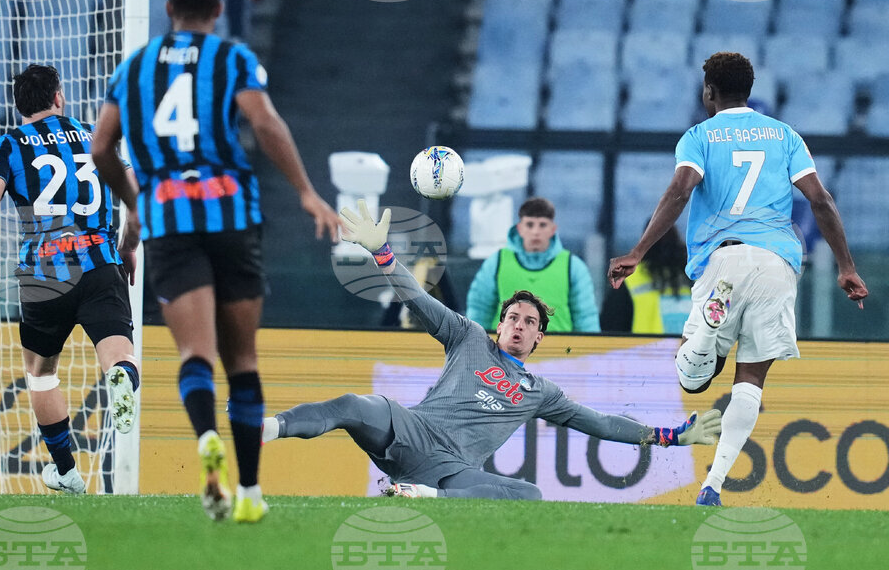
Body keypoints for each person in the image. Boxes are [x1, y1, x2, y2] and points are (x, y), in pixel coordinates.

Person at [91, 0, 340, 522]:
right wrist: (305, 191)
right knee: (243, 359)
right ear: (220, 9)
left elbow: (102, 147)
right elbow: (267, 123)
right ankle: (250, 492)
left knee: (194, 355)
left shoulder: (132, 70)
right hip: (232, 215)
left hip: (170, 220)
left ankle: (206, 437)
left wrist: (137, 203)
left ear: (168, 8)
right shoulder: (233, 59)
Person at [261, 199, 722, 500]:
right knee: (353, 404)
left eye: (530, 324)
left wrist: (670, 436)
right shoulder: (466, 335)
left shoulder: (540, 391)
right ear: (499, 324)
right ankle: (266, 428)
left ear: (539, 338)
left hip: (452, 469)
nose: (519, 327)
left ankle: (424, 494)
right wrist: (383, 254)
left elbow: (599, 422)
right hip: (411, 430)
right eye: (514, 319)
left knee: (530, 496)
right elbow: (417, 300)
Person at [608, 52, 868, 506]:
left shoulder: (699, 136)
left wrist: (638, 251)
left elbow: (680, 191)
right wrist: (846, 266)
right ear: (748, 90)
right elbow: (821, 201)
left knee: (693, 382)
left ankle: (708, 329)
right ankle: (714, 485)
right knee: (750, 379)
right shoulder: (785, 136)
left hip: (722, 259)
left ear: (709, 91)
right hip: (778, 262)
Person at [0, 64, 141, 495]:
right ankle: (120, 378)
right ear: (59, 96)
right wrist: (128, 247)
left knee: (42, 375)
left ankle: (66, 472)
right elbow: (137, 200)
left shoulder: (7, 146)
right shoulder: (98, 135)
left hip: (42, 274)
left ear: (20, 106)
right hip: (99, 262)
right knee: (118, 354)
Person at [466, 197, 599, 333]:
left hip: (559, 350)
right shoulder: (496, 262)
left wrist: (594, 352)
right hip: (505, 350)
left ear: (553, 229)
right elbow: (479, 310)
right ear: (520, 228)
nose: (536, 231)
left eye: (542, 225)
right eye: (530, 225)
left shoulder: (573, 266)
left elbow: (586, 317)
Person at [601, 223, 691, 333]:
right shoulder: (694, 277)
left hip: (644, 349)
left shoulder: (630, 279)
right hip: (691, 349)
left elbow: (610, 330)